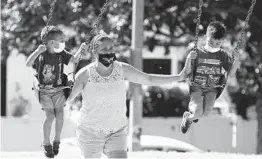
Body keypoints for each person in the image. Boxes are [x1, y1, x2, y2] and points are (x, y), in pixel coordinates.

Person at [66, 33, 185, 158]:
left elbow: (149, 79)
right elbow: (67, 97)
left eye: (111, 48)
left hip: (116, 132)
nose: (108, 52)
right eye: (104, 49)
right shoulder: (85, 74)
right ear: (95, 52)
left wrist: (178, 77)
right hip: (90, 132)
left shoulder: (122, 69)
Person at [25, 25, 81, 158]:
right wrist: (37, 51)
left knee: (60, 115)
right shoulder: (42, 55)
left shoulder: (62, 54)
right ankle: (46, 143)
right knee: (50, 116)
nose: (64, 42)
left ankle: (56, 140)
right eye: (61, 40)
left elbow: (74, 60)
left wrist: (80, 50)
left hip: (58, 89)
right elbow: (28, 64)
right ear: (51, 42)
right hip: (44, 91)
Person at [179, 21, 240, 134]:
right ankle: (188, 118)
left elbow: (230, 73)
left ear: (222, 42)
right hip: (196, 87)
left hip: (213, 89)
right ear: (204, 37)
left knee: (206, 113)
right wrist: (189, 59)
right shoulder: (197, 52)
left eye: (217, 44)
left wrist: (236, 60)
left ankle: (193, 115)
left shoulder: (223, 55)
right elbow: (187, 72)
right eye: (210, 42)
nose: (213, 46)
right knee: (198, 112)